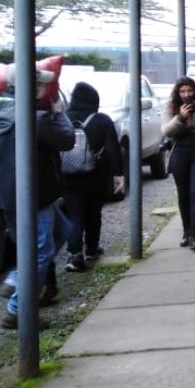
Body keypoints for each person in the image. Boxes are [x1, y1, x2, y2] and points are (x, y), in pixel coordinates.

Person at [0, 65, 75, 329]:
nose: (44, 87)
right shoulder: (36, 119)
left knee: (62, 231)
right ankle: (17, 310)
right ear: (30, 87)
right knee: (41, 252)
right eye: (40, 83)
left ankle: (16, 277)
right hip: (35, 194)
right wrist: (58, 112)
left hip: (10, 194)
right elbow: (67, 139)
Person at [61, 82, 124, 272]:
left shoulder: (62, 119)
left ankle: (74, 254)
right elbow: (113, 149)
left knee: (74, 215)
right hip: (95, 175)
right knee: (93, 213)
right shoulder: (102, 120)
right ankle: (92, 248)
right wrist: (118, 174)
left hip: (67, 176)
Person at [162, 77, 195, 252]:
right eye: (182, 91)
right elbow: (166, 131)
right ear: (178, 93)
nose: (186, 94)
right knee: (183, 193)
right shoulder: (171, 106)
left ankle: (194, 235)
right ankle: (186, 231)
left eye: (189, 91)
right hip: (180, 153)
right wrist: (180, 117)